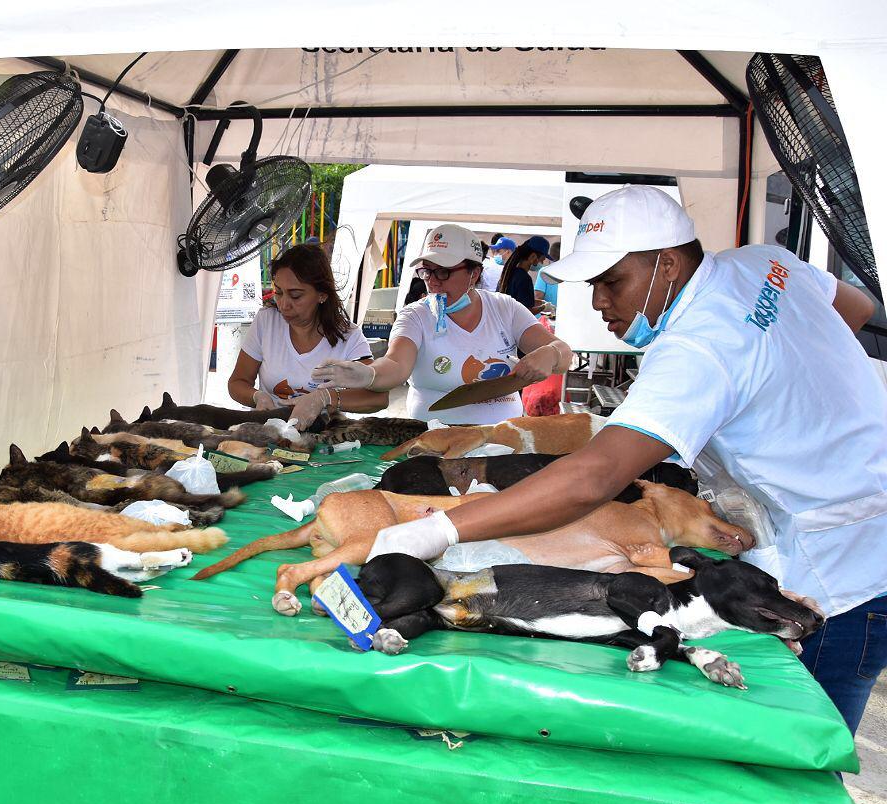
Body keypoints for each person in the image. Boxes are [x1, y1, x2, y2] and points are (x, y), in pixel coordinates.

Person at [357, 185, 886, 735]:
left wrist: (439, 530)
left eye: (613, 282)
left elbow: (594, 478)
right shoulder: (763, 263)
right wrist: (781, 381)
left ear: (669, 263)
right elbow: (857, 307)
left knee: (795, 751)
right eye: (594, 284)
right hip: (864, 521)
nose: (599, 302)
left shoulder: (699, 348)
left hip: (840, 571)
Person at [312, 224, 572, 425]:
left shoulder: (504, 308)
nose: (433, 281)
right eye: (427, 271)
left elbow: (563, 354)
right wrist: (368, 375)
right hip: (432, 439)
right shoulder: (415, 316)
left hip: (502, 439)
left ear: (475, 273)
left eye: (444, 272)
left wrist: (550, 354)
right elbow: (396, 365)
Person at [229, 243, 387, 429]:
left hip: (323, 438)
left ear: (322, 295)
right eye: (278, 292)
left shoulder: (349, 337)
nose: (284, 304)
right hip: (269, 432)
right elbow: (238, 382)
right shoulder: (266, 321)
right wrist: (257, 396)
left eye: (295, 295)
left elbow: (378, 398)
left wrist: (325, 398)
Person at [497, 236, 550, 312]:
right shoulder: (524, 279)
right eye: (542, 259)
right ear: (533, 256)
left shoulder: (509, 273)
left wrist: (540, 302)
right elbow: (526, 311)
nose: (541, 263)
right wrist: (543, 308)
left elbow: (519, 300)